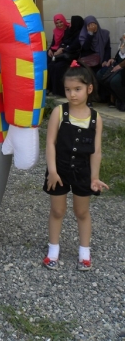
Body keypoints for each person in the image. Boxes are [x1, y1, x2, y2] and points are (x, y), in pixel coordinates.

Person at [43, 62, 108, 271]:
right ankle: (53, 250)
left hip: (83, 171)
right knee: (57, 210)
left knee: (82, 212)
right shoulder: (59, 113)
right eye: (68, 90)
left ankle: (84, 252)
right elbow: (50, 143)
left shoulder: (97, 118)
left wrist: (94, 177)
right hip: (59, 170)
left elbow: (96, 151)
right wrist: (52, 171)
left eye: (77, 89)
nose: (72, 94)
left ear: (89, 89)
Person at [47, 15, 84, 96]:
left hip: (72, 56)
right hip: (64, 54)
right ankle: (51, 89)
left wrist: (63, 49)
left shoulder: (80, 34)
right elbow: (63, 42)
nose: (71, 24)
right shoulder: (70, 31)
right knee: (51, 65)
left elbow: (74, 46)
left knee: (58, 66)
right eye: (57, 23)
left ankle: (60, 91)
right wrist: (59, 48)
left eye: (73, 22)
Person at [96, 33, 125, 110]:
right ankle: (116, 98)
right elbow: (121, 53)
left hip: (123, 67)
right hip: (118, 65)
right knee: (100, 74)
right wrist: (113, 59)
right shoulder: (123, 37)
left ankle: (122, 100)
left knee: (115, 81)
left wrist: (121, 65)